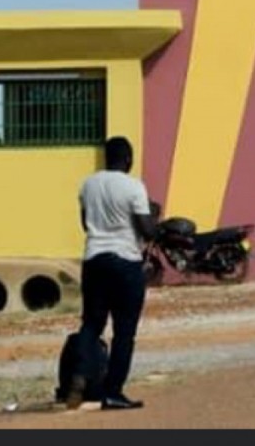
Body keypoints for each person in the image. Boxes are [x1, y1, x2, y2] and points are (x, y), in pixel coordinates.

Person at [68, 136, 157, 411]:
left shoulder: (88, 184)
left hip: (94, 260)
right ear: (128, 159)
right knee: (124, 331)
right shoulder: (134, 187)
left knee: (91, 324)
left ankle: (79, 375)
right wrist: (154, 219)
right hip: (125, 263)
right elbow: (147, 231)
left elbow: (86, 224)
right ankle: (113, 392)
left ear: (105, 158)